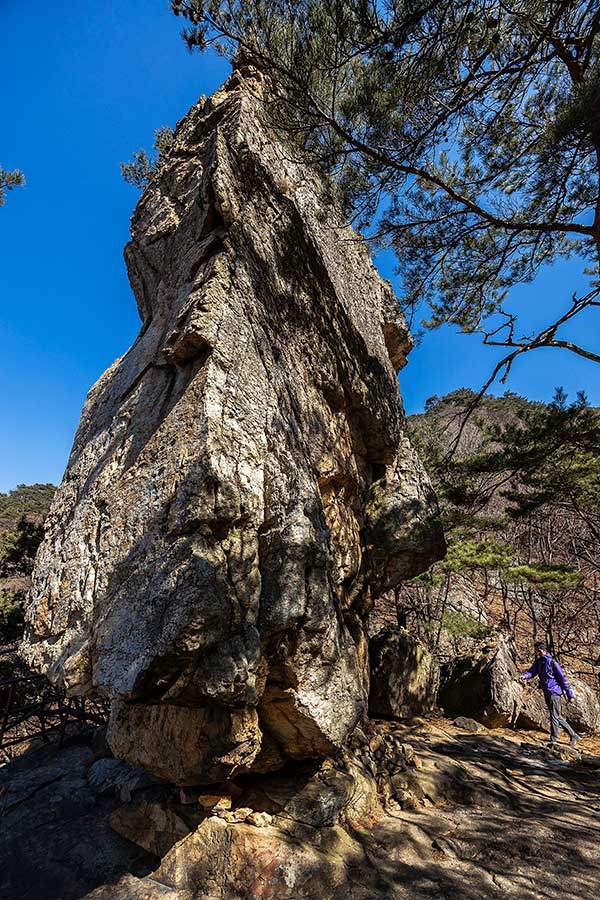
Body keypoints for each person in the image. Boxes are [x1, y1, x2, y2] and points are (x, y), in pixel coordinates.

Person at [521, 641, 580, 746]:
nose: (535, 651)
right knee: (557, 716)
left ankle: (553, 740)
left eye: (536, 649)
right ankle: (574, 735)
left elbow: (563, 679)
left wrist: (570, 695)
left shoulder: (552, 662)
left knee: (554, 715)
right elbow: (532, 672)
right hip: (546, 692)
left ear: (541, 650)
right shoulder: (538, 662)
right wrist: (524, 676)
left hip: (554, 692)